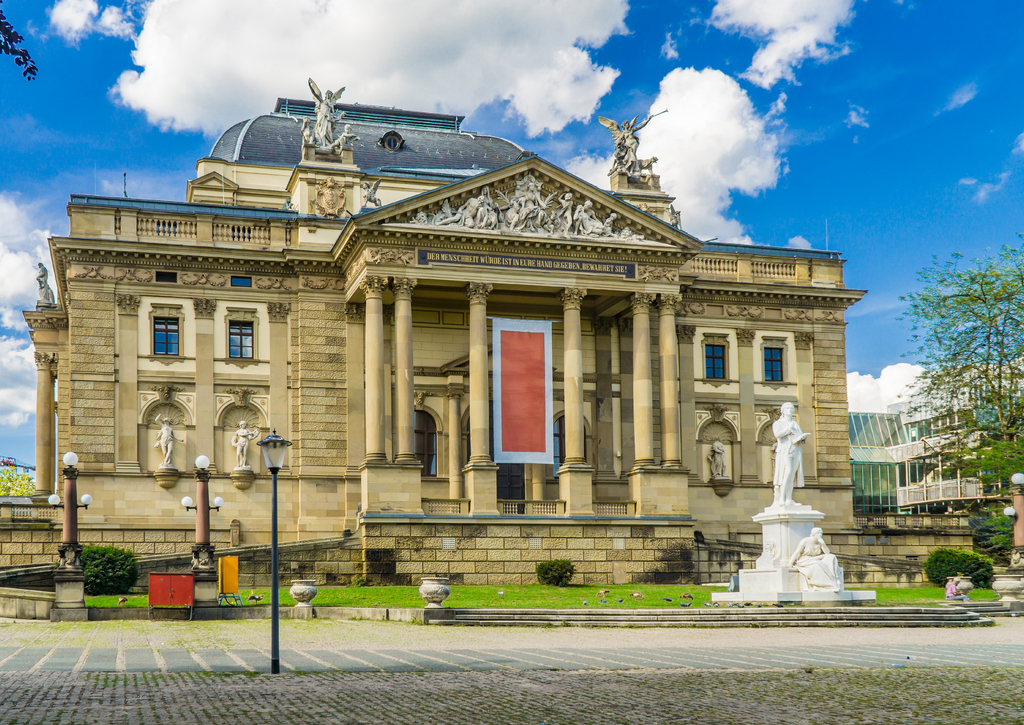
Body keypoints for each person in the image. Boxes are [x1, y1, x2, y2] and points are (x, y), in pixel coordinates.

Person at [771, 402, 810, 507]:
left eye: (791, 408)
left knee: (792, 475)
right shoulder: (778, 423)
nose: (790, 409)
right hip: (785, 451)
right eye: (787, 408)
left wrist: (803, 438)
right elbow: (778, 434)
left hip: (796, 450)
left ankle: (789, 499)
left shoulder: (796, 424)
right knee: (786, 473)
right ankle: (781, 499)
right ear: (783, 410)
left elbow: (799, 437)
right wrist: (789, 429)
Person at [788, 527, 843, 592]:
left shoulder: (819, 542)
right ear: (813, 534)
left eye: (821, 533)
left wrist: (823, 544)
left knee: (831, 556)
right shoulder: (806, 541)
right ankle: (829, 585)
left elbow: (827, 553)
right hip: (804, 560)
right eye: (818, 533)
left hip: (814, 558)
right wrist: (790, 564)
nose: (820, 535)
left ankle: (835, 579)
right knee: (817, 564)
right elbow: (797, 552)